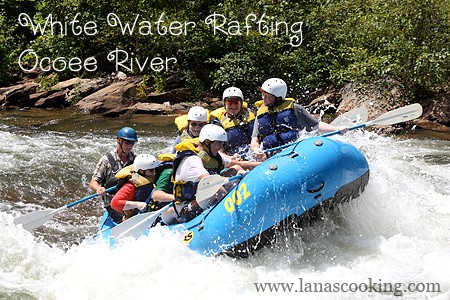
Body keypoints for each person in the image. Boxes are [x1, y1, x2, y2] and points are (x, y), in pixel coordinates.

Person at [162, 124, 259, 225]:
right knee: (216, 188)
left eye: (222, 144)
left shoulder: (211, 154)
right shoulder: (192, 160)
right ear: (207, 142)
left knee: (236, 169)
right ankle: (232, 217)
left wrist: (263, 164)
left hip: (202, 197)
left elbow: (239, 164)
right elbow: (212, 183)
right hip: (187, 208)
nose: (221, 147)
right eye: (219, 143)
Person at [250, 78, 348, 160]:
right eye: (263, 95)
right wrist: (256, 150)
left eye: (267, 96)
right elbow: (254, 140)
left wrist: (336, 129)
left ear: (278, 97)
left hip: (294, 151)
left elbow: (316, 125)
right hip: (271, 156)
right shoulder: (260, 114)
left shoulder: (294, 108)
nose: (263, 98)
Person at [90, 127, 137, 223]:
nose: (130, 146)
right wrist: (98, 189)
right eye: (127, 143)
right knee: (127, 220)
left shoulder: (135, 159)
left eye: (132, 143)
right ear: (119, 141)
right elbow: (93, 182)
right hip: (113, 203)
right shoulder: (106, 160)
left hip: (129, 201)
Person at [110, 154, 174, 220]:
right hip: (136, 219)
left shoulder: (152, 178)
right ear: (141, 171)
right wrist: (138, 205)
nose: (154, 173)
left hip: (152, 212)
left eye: (155, 169)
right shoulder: (131, 186)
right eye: (151, 170)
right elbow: (114, 203)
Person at [210, 87, 255, 156]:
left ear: (241, 103)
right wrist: (230, 159)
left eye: (236, 102)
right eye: (229, 102)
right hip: (231, 156)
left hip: (250, 153)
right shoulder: (218, 123)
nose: (233, 105)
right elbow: (219, 150)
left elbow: (256, 139)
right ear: (224, 104)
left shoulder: (249, 116)